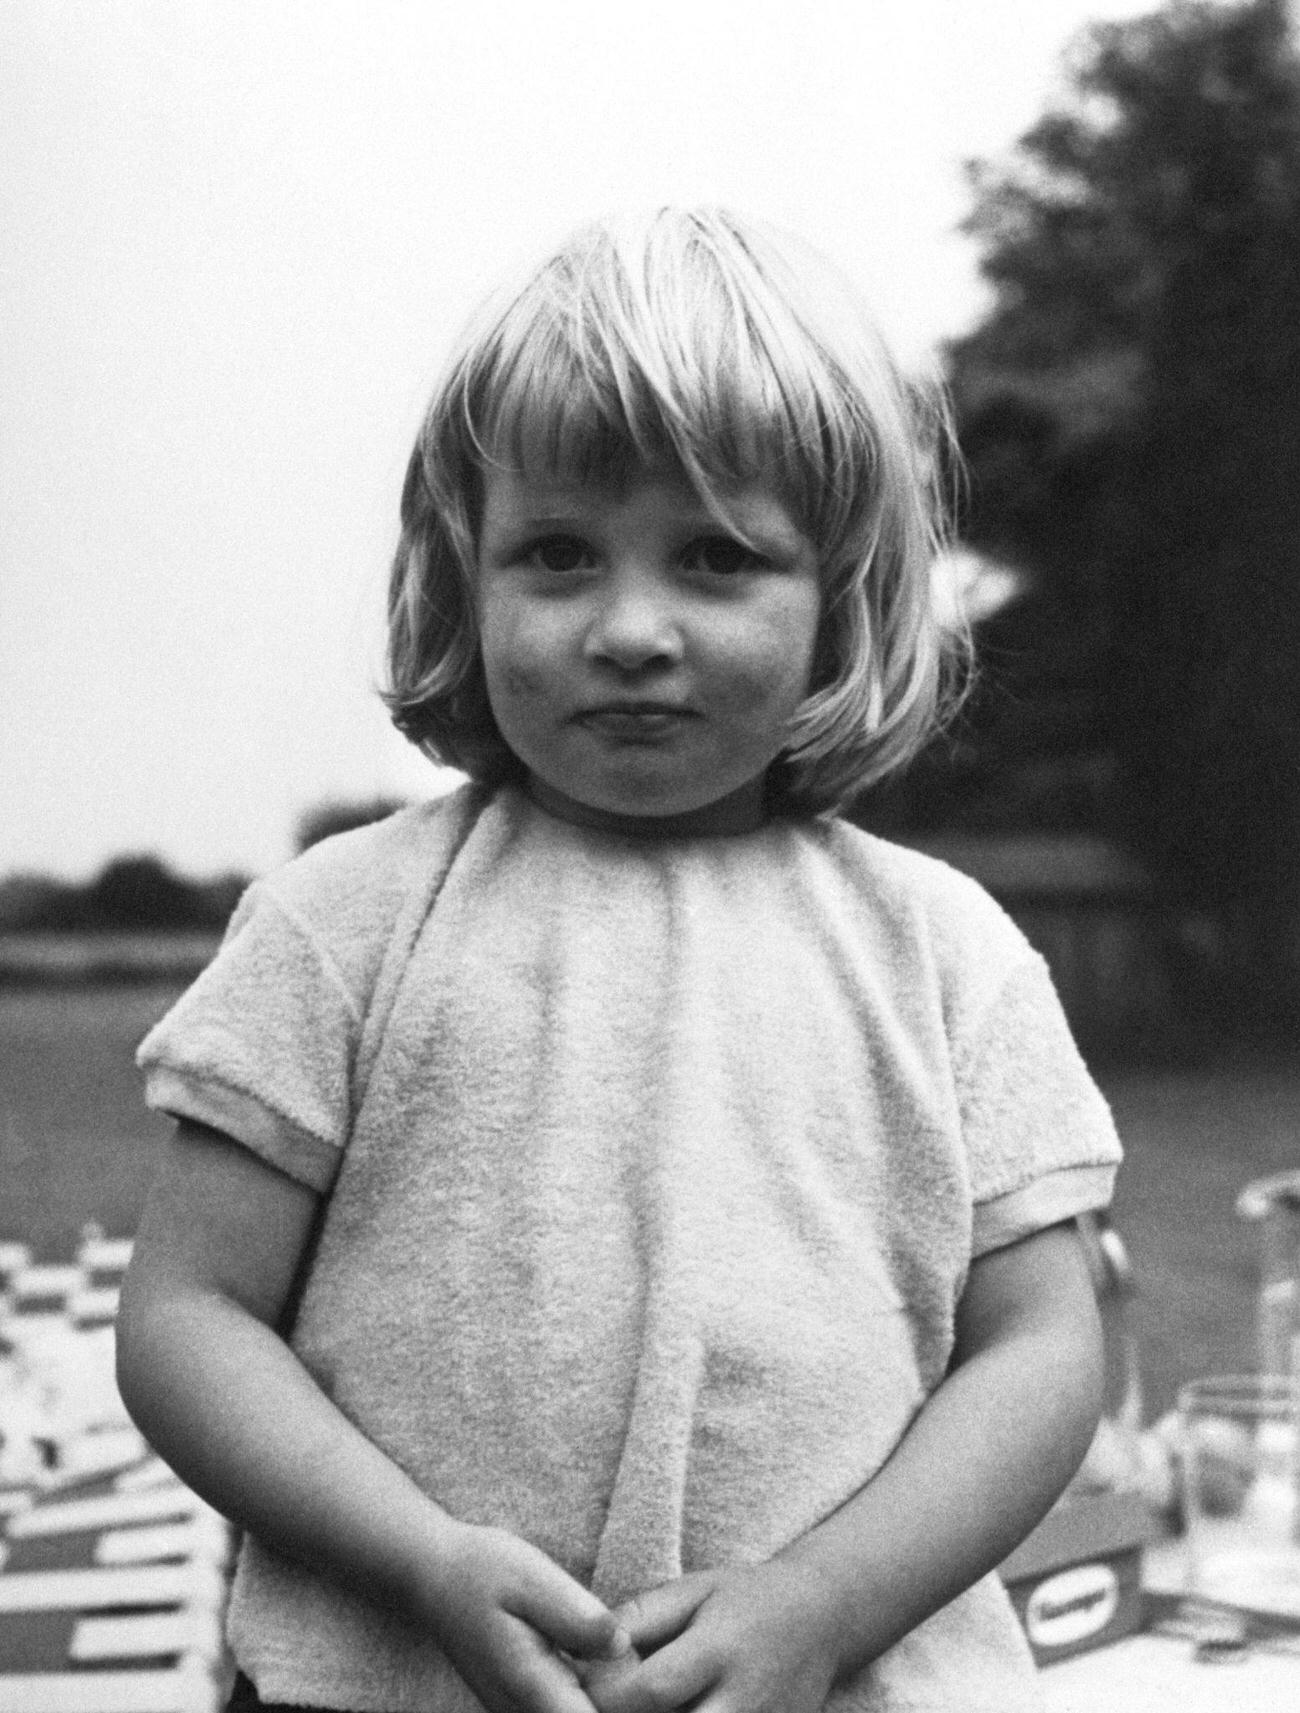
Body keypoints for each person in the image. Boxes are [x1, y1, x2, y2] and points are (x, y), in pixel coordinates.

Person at [117, 206, 1122, 1713]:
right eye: (560, 554)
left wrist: (827, 1601)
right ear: (468, 577)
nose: (631, 627)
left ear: (836, 599)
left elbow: (1044, 1349)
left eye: (717, 558)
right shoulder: (343, 924)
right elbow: (187, 1315)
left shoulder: (949, 956)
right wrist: (419, 1561)